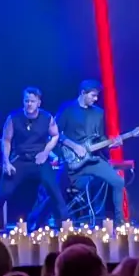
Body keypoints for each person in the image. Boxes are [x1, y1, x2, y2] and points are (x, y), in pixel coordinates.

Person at [0, 87, 67, 228]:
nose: (29, 104)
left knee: (55, 192)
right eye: (26, 101)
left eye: (32, 101)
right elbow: (6, 140)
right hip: (20, 159)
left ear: (38, 103)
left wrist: (46, 152)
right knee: (3, 193)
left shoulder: (47, 117)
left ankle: (64, 228)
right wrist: (6, 162)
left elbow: (55, 135)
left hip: (40, 159)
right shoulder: (13, 118)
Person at [55, 80, 127, 224]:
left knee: (118, 182)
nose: (96, 99)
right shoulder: (67, 109)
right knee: (55, 187)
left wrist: (112, 144)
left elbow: (99, 139)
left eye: (97, 96)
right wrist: (75, 146)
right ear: (83, 93)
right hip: (72, 162)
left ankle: (120, 223)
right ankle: (58, 222)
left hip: (93, 159)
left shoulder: (99, 113)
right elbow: (55, 134)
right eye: (93, 96)